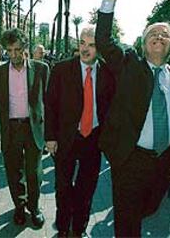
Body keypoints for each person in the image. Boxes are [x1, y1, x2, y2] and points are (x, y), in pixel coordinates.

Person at [95, 0, 170, 237]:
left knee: (149, 209)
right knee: (128, 224)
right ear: (143, 41)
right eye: (153, 33)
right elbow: (104, 41)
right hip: (130, 159)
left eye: (165, 35)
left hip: (163, 165)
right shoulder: (129, 65)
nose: (159, 36)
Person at [45, 27, 115, 238]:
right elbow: (50, 105)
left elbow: (111, 107)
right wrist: (50, 137)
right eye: (82, 43)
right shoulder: (61, 69)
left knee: (86, 189)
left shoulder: (108, 73)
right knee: (63, 187)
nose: (85, 49)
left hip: (93, 139)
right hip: (66, 138)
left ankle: (79, 229)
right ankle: (63, 228)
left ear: (99, 48)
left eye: (91, 45)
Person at [0, 28, 49, 228]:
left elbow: (47, 102)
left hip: (33, 129)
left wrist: (50, 135)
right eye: (9, 50)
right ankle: (19, 205)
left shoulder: (41, 69)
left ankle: (34, 207)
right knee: (13, 171)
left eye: (17, 49)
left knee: (34, 172)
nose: (13, 54)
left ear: (25, 48)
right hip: (11, 130)